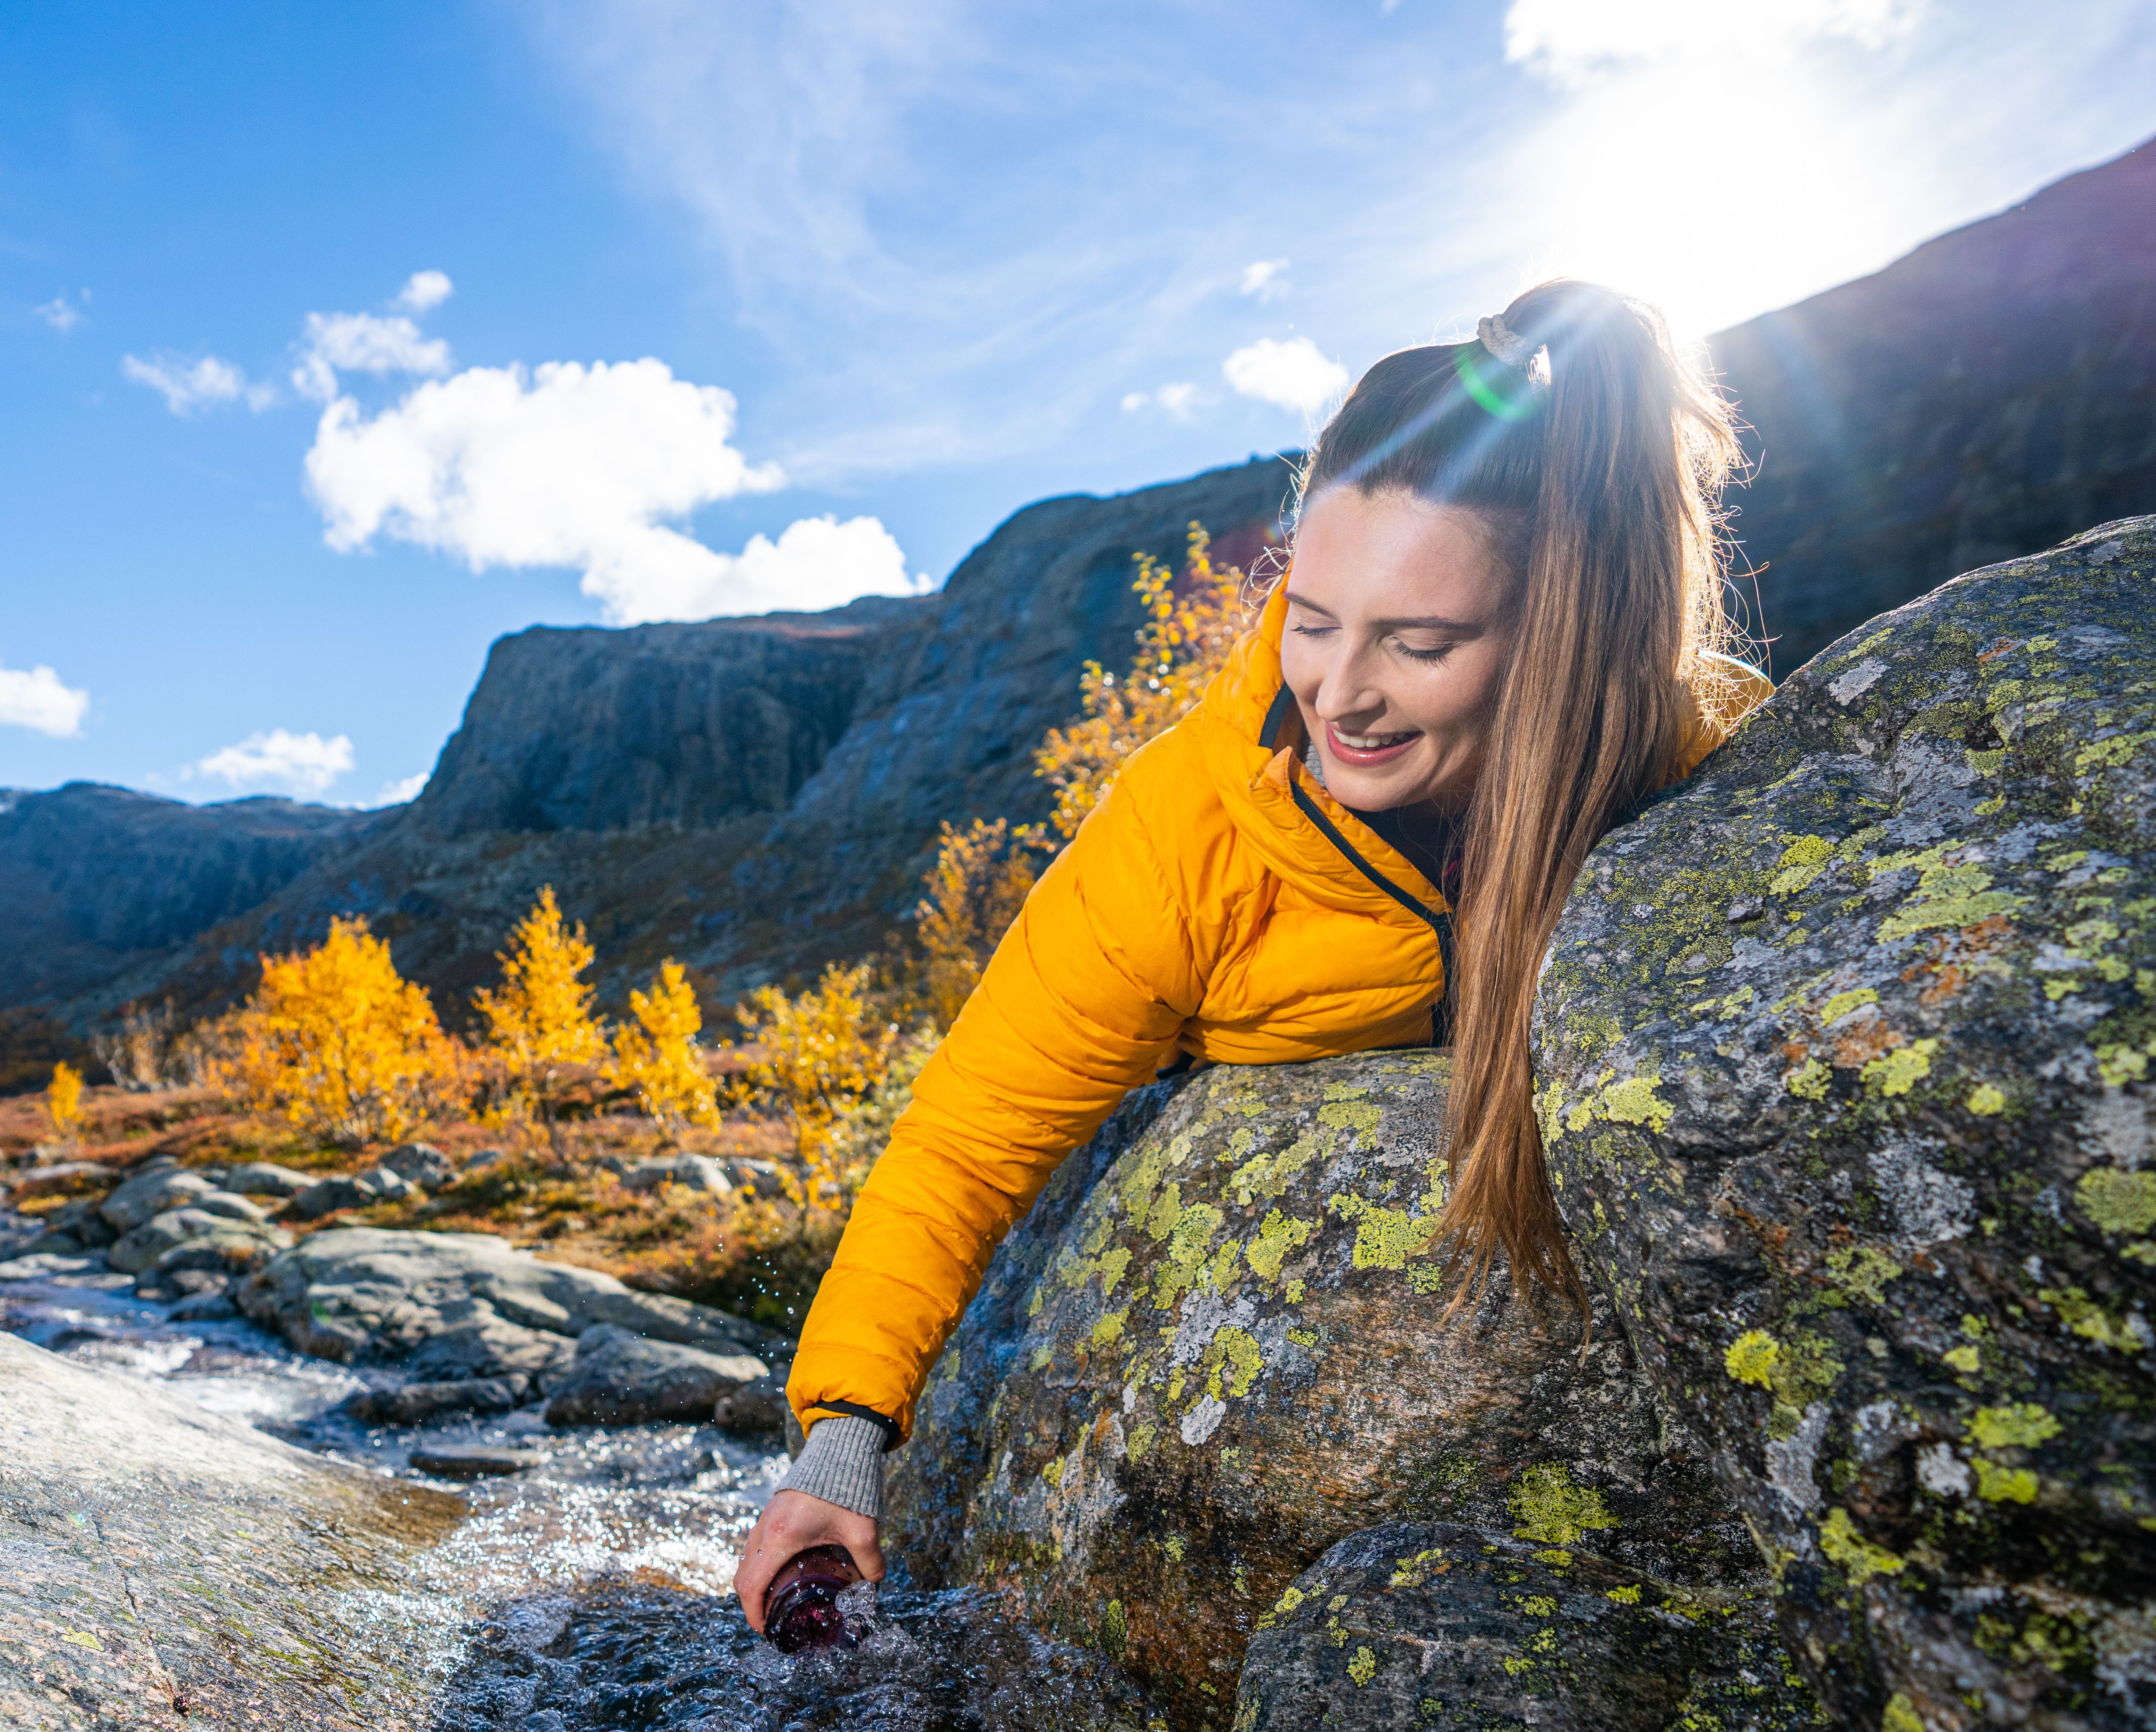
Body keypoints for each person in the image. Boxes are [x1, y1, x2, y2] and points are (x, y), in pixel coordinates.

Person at [735, 279, 1768, 1631]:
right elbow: (969, 1135)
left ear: (1557, 636)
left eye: (1421, 642)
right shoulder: (1186, 832)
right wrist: (844, 1441)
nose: (1338, 692)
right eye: (1316, 617)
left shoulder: (1701, 764)